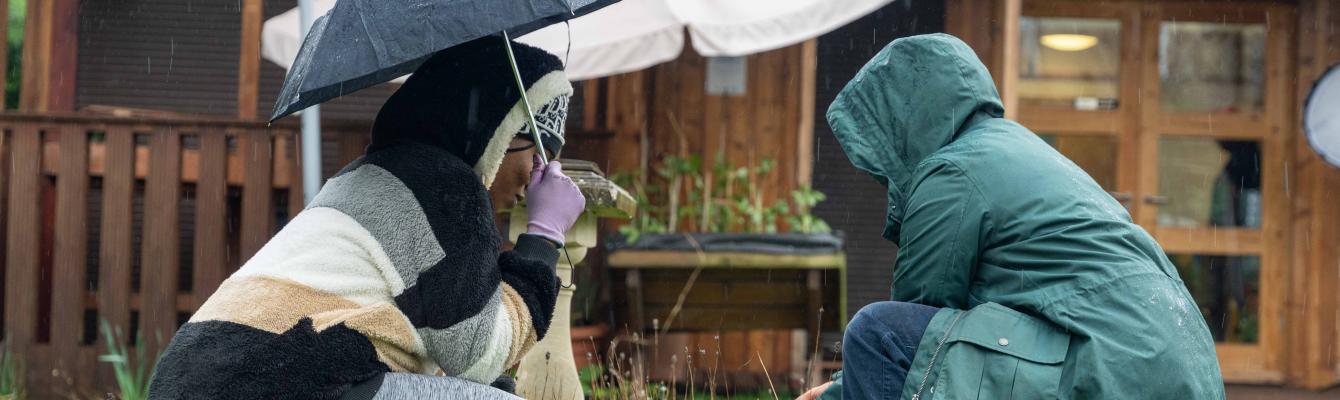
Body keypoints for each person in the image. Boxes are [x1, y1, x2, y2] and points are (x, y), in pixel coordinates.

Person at [148, 38, 585, 400]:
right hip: (281, 385)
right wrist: (543, 238)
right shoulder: (445, 189)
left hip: (190, 379)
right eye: (541, 153)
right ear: (501, 131)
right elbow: (480, 353)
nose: (539, 176)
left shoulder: (366, 176)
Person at [798, 34, 1224, 400]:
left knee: (875, 330)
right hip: (1183, 363)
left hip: (1108, 361)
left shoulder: (951, 169)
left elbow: (916, 337)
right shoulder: (1019, 147)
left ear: (904, 118)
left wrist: (840, 389)